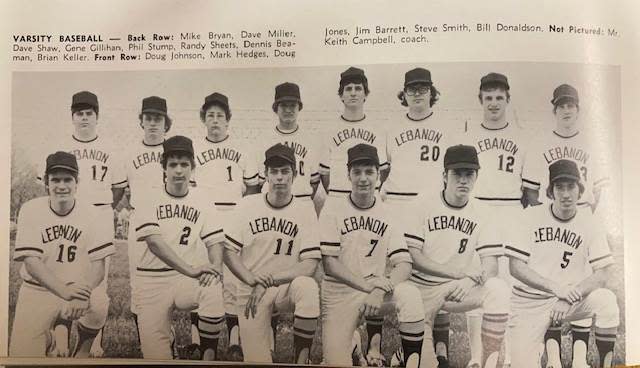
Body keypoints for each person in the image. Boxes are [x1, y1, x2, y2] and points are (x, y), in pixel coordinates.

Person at [522, 83, 611, 367]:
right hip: (551, 219)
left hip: (582, 217)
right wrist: (544, 222)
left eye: (571, 105)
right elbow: (532, 192)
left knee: (581, 285)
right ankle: (553, 354)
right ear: (554, 109)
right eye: (561, 105)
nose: (566, 110)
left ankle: (581, 358)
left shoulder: (592, 142)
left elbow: (601, 191)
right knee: (551, 286)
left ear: (578, 109)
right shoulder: (541, 142)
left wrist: (592, 220)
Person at [383, 68, 465, 364]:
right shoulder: (391, 127)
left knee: (435, 271)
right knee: (400, 275)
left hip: (432, 207)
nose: (417, 93)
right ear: (403, 94)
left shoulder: (448, 126)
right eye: (412, 89)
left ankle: (438, 346)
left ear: (432, 92)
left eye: (423, 88)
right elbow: (384, 171)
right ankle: (405, 342)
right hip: (398, 205)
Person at [36, 90, 126, 357]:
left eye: (89, 113)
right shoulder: (60, 145)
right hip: (68, 219)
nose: (84, 118)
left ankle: (93, 338)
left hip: (99, 216)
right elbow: (48, 185)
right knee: (66, 273)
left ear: (96, 117)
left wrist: (99, 207)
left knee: (100, 280)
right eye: (79, 114)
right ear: (72, 117)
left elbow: (118, 189)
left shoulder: (110, 148)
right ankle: (61, 332)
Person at [402, 145, 509, 368]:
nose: (463, 180)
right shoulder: (422, 204)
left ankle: (488, 362)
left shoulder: (483, 211)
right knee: (427, 364)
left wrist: (468, 280)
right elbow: (414, 257)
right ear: (444, 176)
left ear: (476, 177)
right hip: (423, 289)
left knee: (498, 289)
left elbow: (491, 264)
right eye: (456, 174)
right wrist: (457, 273)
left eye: (469, 174)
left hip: (460, 289)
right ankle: (405, 355)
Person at [319, 143, 425, 367]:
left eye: (369, 171)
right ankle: (353, 343)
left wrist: (379, 289)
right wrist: (369, 288)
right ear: (348, 175)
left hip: (375, 291)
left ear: (379, 175)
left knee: (411, 295)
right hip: (340, 293)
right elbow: (329, 264)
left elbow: (404, 263)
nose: (363, 178)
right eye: (357, 172)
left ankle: (412, 361)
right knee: (336, 363)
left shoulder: (388, 212)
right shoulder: (333, 210)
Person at [506, 159, 619, 368]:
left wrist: (568, 296)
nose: (566, 194)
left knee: (607, 301)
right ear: (550, 191)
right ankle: (538, 351)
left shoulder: (590, 222)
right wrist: (557, 290)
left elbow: (603, 272)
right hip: (529, 302)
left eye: (571, 187)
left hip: (570, 300)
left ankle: (606, 364)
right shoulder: (529, 217)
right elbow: (516, 267)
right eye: (559, 187)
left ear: (580, 191)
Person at [464, 73, 538, 367]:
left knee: (507, 285)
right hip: (477, 210)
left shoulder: (522, 137)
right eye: (488, 97)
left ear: (508, 100)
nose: (493, 103)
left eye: (499, 98)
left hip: (509, 211)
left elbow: (530, 192)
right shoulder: (468, 135)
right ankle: (474, 356)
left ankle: (503, 355)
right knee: (478, 281)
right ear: (480, 99)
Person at [223, 143, 321, 364]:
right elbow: (228, 251)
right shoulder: (247, 205)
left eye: (285, 171)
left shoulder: (305, 209)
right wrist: (251, 279)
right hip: (251, 288)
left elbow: (309, 265)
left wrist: (268, 281)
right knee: (258, 360)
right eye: (274, 171)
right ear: (265, 175)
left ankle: (301, 359)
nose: (279, 177)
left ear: (294, 175)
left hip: (285, 285)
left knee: (308, 287)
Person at [11, 151, 114, 358]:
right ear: (46, 183)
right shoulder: (31, 209)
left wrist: (82, 293)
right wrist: (65, 292)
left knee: (99, 301)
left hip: (78, 288)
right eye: (55, 180)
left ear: (77, 182)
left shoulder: (93, 213)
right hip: (38, 290)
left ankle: (83, 350)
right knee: (21, 358)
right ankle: (51, 336)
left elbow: (98, 265)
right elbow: (32, 262)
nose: (61, 186)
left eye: (68, 179)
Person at [133, 135, 226, 360]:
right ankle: (168, 338)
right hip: (152, 281)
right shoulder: (147, 195)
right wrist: (191, 270)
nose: (178, 170)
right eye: (172, 164)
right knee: (157, 358)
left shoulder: (202, 198)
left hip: (185, 280)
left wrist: (214, 267)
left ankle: (208, 357)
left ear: (192, 168)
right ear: (163, 167)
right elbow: (154, 243)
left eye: (184, 164)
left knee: (212, 287)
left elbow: (215, 241)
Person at [192, 91, 260, 358]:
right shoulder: (194, 149)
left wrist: (243, 215)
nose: (216, 120)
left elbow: (253, 187)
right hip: (203, 218)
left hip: (232, 215)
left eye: (220, 115)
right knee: (204, 275)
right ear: (203, 119)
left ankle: (234, 338)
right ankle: (197, 337)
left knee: (232, 279)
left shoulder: (243, 149)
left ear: (228, 119)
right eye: (211, 116)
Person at [120, 96, 171, 345]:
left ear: (166, 123)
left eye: (158, 118)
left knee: (170, 280)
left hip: (170, 221)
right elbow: (120, 192)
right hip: (140, 222)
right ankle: (144, 341)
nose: (153, 123)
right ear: (141, 121)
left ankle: (167, 334)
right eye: (148, 118)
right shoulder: (129, 154)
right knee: (137, 281)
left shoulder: (174, 151)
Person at [319, 66, 389, 198]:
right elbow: (324, 173)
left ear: (365, 94)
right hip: (338, 196)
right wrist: (337, 193)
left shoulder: (378, 129)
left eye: (358, 88)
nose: (353, 93)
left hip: (369, 198)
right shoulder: (329, 130)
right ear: (341, 96)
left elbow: (383, 170)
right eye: (348, 89)